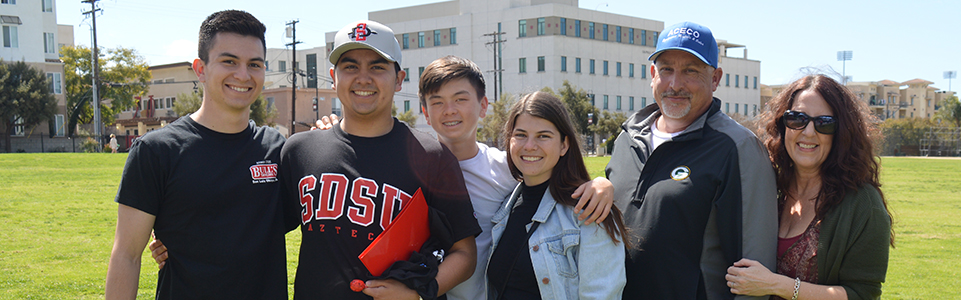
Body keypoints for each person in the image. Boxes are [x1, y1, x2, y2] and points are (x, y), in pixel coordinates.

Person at [279, 20, 480, 300]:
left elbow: (465, 253)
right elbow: (264, 231)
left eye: (377, 67)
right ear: (333, 76)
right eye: (350, 67)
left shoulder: (431, 155)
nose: (363, 78)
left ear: (399, 79)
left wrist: (418, 293)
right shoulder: (299, 151)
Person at [105, 10, 291, 300]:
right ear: (200, 69)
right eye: (229, 61)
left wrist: (331, 132)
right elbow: (126, 256)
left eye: (254, 64)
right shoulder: (157, 151)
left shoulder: (278, 150)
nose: (243, 75)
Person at [418, 55, 615, 300]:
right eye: (438, 102)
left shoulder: (507, 170)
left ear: (483, 106)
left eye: (460, 99)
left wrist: (601, 185)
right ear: (425, 113)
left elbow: (554, 184)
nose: (450, 110)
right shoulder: (410, 171)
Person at [605, 21, 778, 300]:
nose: (675, 84)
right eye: (666, 70)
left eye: (691, 71)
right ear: (652, 74)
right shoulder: (627, 139)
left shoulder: (739, 148)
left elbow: (754, 269)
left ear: (715, 78)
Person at [724, 75, 893, 300]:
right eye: (797, 119)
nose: (809, 132)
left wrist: (777, 285)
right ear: (783, 126)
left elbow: (862, 295)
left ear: (841, 133)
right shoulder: (767, 186)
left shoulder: (863, 204)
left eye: (824, 123)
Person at [487, 91, 627, 299]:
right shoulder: (505, 206)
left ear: (564, 145)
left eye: (543, 136)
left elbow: (601, 294)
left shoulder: (588, 211)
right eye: (521, 135)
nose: (529, 146)